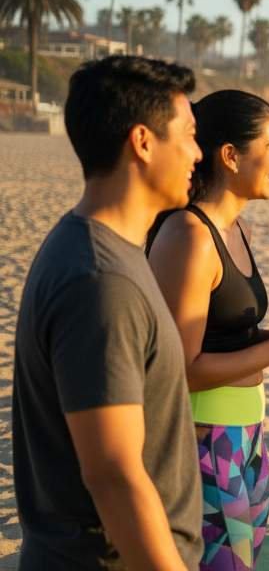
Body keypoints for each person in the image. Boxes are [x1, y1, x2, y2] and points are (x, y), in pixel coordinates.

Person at [12, 56, 204, 570]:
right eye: (187, 135)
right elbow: (113, 476)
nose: (197, 152)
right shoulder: (101, 281)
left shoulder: (99, 247)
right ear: (142, 142)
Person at [146, 90, 269, 571]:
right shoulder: (189, 237)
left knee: (242, 562)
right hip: (199, 434)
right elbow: (180, 371)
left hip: (247, 430)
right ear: (230, 156)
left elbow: (229, 335)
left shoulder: (240, 229)